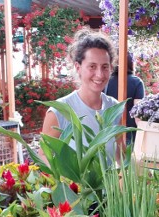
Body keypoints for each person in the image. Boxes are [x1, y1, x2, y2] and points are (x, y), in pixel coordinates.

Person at [41, 28, 120, 162]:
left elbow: (119, 152)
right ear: (78, 67)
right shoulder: (60, 110)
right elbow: (44, 155)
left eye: (105, 67)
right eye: (92, 66)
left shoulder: (115, 108)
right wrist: (63, 181)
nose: (100, 74)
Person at [105, 53, 145, 144]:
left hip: (107, 134)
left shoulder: (105, 81)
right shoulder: (137, 82)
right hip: (129, 134)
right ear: (131, 64)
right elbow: (138, 114)